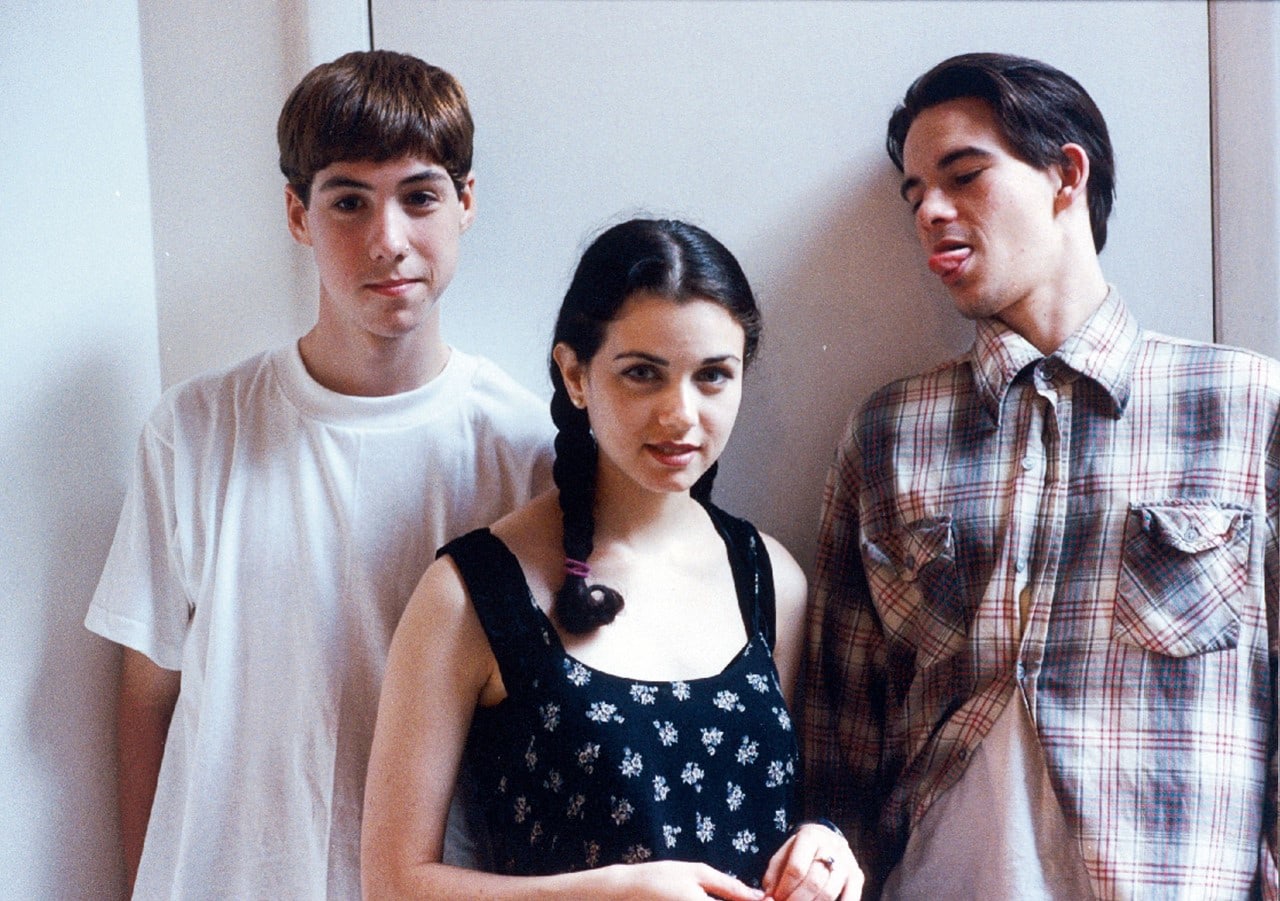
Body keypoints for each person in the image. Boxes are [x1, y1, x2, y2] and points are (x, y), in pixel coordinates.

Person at [803, 52, 1279, 899]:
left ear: (1066, 174)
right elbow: (838, 740)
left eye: (963, 176)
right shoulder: (888, 431)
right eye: (914, 195)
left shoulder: (1245, 405)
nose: (931, 214)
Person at [85, 50, 554, 898]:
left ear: (466, 203)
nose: (388, 240)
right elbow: (146, 701)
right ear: (299, 214)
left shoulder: (525, 451)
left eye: (419, 196)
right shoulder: (196, 430)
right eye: (348, 200)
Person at [362, 218, 860, 900]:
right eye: (642, 374)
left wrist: (824, 850)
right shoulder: (473, 593)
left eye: (713, 375)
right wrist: (614, 892)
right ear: (574, 373)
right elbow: (392, 883)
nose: (681, 413)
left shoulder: (770, 578)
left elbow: (792, 819)